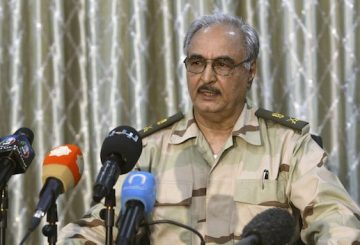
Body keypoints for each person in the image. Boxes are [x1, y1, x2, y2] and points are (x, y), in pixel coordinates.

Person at [58, 12, 360, 244]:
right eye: (196, 63)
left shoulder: (289, 145)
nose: (207, 78)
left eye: (224, 65)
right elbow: (99, 228)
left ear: (250, 71)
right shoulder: (149, 149)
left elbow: (336, 220)